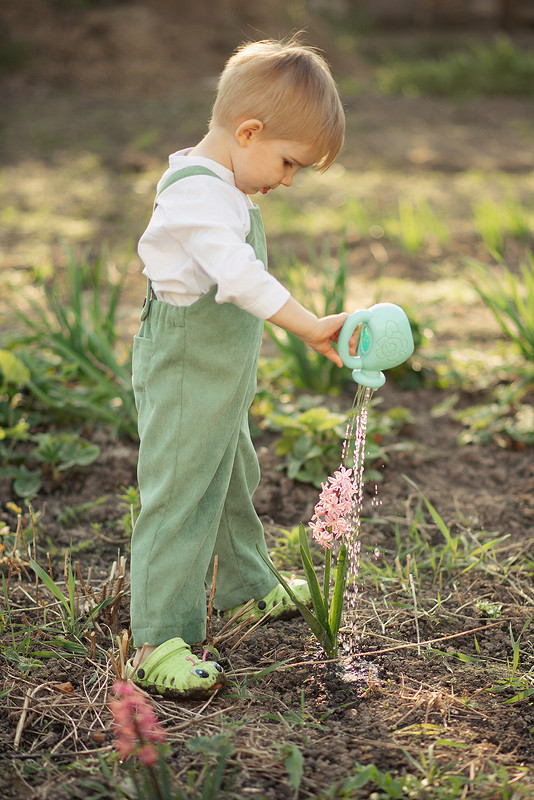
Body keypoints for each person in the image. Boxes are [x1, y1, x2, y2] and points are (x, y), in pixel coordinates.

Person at [128, 36, 347, 698]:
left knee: (228, 473)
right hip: (186, 365)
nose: (286, 180)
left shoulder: (228, 183)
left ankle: (247, 588)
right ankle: (155, 636)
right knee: (180, 489)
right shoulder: (196, 195)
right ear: (248, 131)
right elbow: (235, 272)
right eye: (288, 163)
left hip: (218, 373)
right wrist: (308, 324)